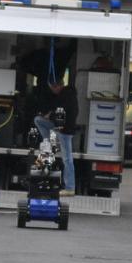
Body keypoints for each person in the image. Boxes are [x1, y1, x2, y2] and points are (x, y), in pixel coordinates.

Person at [34, 69, 78, 197]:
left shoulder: (66, 96)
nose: (52, 91)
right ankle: (49, 142)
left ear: (57, 86)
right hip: (61, 127)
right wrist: (49, 115)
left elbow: (61, 113)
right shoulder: (67, 94)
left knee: (67, 159)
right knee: (38, 120)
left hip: (64, 130)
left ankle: (70, 188)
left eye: (52, 88)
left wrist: (51, 116)